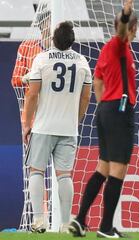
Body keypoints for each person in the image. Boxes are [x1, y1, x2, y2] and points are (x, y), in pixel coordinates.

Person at [69, 0, 138, 238]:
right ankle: (106, 228)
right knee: (118, 170)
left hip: (107, 110)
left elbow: (98, 80)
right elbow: (121, 31)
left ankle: (79, 220)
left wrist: (103, 104)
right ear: (133, 29)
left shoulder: (108, 50)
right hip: (119, 112)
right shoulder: (119, 45)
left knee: (104, 167)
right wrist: (126, 12)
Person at [23, 21, 92, 233]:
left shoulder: (41, 59)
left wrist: (27, 123)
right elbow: (86, 97)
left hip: (43, 126)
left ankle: (39, 220)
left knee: (36, 170)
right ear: (72, 40)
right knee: (64, 175)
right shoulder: (82, 62)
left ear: (53, 39)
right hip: (68, 128)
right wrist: (76, 119)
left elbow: (33, 94)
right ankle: (64, 224)